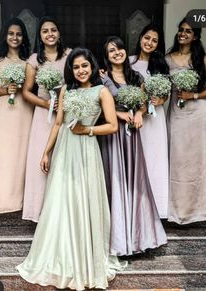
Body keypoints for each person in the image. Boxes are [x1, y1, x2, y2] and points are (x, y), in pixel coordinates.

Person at [16, 47, 126, 290]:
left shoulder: (102, 91)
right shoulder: (66, 90)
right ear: (71, 70)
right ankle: (61, 255)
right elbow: (57, 123)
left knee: (83, 199)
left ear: (92, 66)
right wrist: (46, 151)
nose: (80, 70)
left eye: (84, 66)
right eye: (75, 67)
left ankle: (86, 257)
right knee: (61, 199)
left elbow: (112, 126)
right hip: (65, 150)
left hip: (86, 150)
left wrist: (87, 129)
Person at [99, 36, 167, 256]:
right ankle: (117, 240)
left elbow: (146, 103)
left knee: (135, 180)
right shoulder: (102, 78)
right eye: (111, 50)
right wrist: (118, 114)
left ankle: (138, 236)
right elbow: (97, 106)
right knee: (116, 180)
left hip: (132, 136)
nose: (117, 52)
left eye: (119, 48)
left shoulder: (136, 76)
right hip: (113, 133)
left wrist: (138, 112)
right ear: (107, 56)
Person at [166, 17, 206, 224]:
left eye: (188, 31)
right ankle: (177, 208)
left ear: (195, 36)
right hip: (176, 114)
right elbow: (160, 84)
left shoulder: (201, 58)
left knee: (197, 161)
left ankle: (200, 209)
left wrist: (193, 95)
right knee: (177, 160)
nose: (183, 33)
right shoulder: (167, 58)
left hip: (197, 114)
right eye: (181, 30)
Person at [22, 16, 71, 222]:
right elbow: (26, 92)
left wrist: (63, 102)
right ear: (40, 36)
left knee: (63, 159)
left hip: (66, 112)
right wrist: (46, 104)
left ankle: (61, 211)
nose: (50, 33)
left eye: (53, 29)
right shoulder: (34, 59)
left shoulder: (69, 55)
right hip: (43, 114)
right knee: (42, 160)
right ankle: (39, 211)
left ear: (59, 33)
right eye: (45, 31)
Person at [0, 18, 33, 213]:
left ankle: (20, 195)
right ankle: (0, 194)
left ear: (23, 38)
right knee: (4, 150)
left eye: (19, 34)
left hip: (24, 109)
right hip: (6, 110)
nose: (15, 37)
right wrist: (6, 89)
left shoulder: (29, 60)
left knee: (22, 150)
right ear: (5, 36)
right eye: (11, 33)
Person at [129, 23, 169, 218]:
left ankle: (158, 209)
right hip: (136, 118)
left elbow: (166, 94)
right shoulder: (128, 62)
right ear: (140, 37)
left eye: (154, 40)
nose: (149, 43)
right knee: (138, 160)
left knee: (156, 160)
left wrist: (161, 100)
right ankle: (138, 208)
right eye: (147, 38)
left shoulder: (161, 65)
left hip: (156, 119)